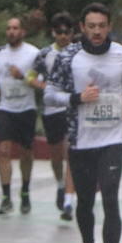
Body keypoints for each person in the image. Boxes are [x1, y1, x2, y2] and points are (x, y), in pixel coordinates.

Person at [44, 2, 122, 243]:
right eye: (91, 26)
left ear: (109, 26)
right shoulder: (68, 56)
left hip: (113, 138)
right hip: (81, 139)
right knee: (85, 203)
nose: (97, 32)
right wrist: (77, 98)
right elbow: (49, 95)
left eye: (102, 26)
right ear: (82, 28)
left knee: (110, 199)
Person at [0, 17, 41, 214]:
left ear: (23, 32)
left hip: (26, 107)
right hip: (4, 107)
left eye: (15, 28)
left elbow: (40, 78)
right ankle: (6, 196)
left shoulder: (33, 53)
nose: (11, 32)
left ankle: (25, 191)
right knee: (4, 150)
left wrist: (23, 77)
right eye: (8, 28)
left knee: (26, 152)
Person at [32, 12, 78, 219]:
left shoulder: (78, 53)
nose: (63, 36)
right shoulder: (44, 54)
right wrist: (46, 87)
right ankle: (60, 184)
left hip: (72, 108)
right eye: (59, 32)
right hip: (51, 109)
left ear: (72, 33)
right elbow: (30, 76)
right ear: (53, 33)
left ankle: (69, 199)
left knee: (70, 152)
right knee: (56, 153)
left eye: (67, 32)